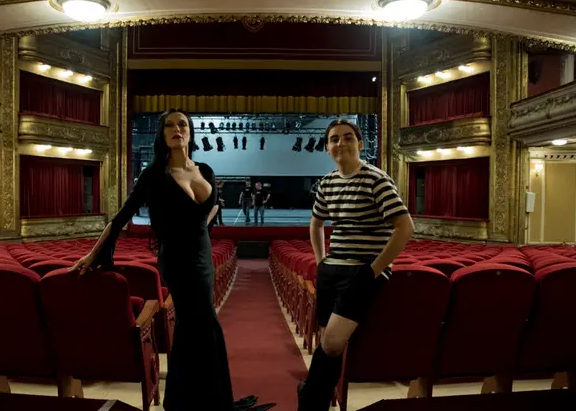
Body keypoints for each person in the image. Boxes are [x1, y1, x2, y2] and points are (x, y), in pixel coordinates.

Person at [70, 110, 271, 411]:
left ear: (190, 133)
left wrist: (201, 226)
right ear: (162, 135)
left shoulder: (206, 170)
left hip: (201, 254)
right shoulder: (153, 175)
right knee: (200, 322)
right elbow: (122, 216)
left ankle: (196, 399)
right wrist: (94, 252)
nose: (176, 129)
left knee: (199, 325)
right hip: (176, 258)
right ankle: (195, 400)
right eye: (169, 125)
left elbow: (209, 211)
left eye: (183, 125)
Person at [297, 119, 414, 411]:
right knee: (328, 343)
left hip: (362, 272)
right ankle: (317, 400)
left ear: (360, 144)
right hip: (332, 271)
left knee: (333, 343)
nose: (341, 143)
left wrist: (373, 271)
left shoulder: (376, 179)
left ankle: (308, 399)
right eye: (334, 139)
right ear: (327, 148)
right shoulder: (327, 182)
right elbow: (316, 223)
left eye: (348, 137)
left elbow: (405, 227)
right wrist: (321, 261)